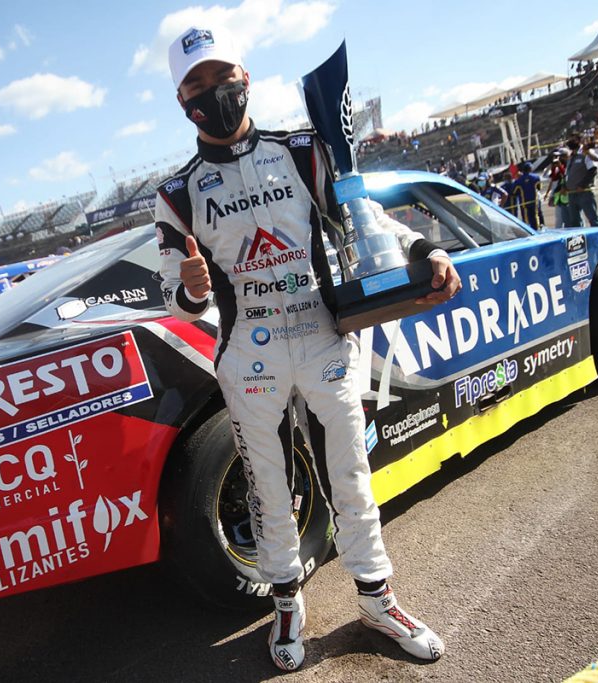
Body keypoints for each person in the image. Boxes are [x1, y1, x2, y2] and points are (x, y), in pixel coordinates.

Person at [155, 25, 458, 671]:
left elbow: (363, 221)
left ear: (246, 75)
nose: (213, 92)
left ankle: (378, 598)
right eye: (196, 83)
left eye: (221, 76)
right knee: (269, 486)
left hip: (323, 336)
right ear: (180, 98)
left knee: (350, 474)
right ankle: (287, 600)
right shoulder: (176, 192)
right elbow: (171, 294)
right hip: (246, 354)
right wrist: (187, 287)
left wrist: (425, 249)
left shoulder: (303, 151)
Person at [564, 134, 598, 226]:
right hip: (571, 193)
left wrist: (583, 185)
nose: (570, 141)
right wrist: (565, 186)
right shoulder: (571, 157)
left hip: (584, 192)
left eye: (573, 139)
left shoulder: (586, 153)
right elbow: (568, 174)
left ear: (579, 141)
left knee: (592, 218)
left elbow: (592, 170)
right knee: (574, 221)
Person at [508, 160, 543, 229]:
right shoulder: (536, 177)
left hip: (524, 202)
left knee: (526, 217)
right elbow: (539, 187)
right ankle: (537, 228)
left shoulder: (518, 180)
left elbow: (514, 192)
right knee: (535, 215)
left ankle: (528, 230)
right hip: (534, 200)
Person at [544, 149, 570, 228]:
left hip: (568, 194)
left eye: (559, 156)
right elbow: (552, 178)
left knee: (569, 217)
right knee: (559, 217)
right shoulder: (556, 167)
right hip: (559, 196)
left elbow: (566, 174)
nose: (557, 158)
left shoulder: (568, 165)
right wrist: (552, 166)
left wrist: (559, 166)